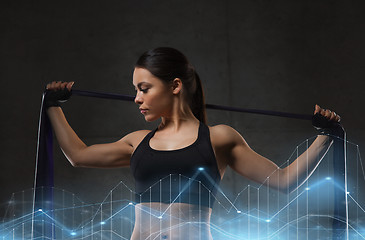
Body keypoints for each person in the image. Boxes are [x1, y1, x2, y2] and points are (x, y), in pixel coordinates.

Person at [45, 47, 341, 240]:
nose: (136, 98)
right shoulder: (137, 143)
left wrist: (325, 136)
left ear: (175, 86)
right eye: (135, 90)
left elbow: (283, 179)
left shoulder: (219, 138)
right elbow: (78, 155)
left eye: (144, 88)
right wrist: (53, 106)